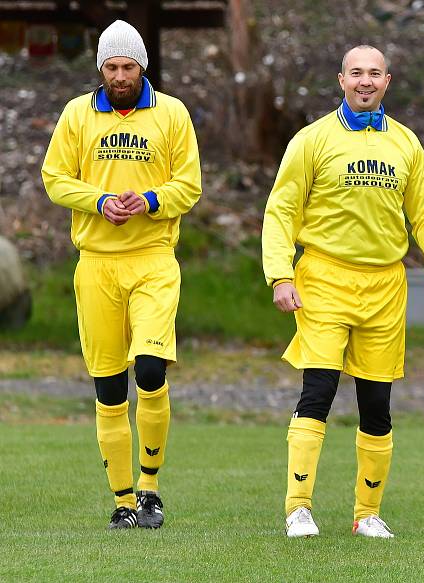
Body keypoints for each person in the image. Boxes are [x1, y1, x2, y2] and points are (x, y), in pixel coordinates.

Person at [262, 45, 424, 539]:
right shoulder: (312, 140)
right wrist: (280, 275)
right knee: (319, 390)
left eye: (374, 73)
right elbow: (281, 211)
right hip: (324, 278)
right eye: (356, 73)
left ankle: (366, 514)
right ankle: (298, 508)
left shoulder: (406, 144)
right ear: (341, 80)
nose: (365, 81)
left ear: (387, 81)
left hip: (386, 285)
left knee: (377, 402)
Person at [41, 20, 201, 529]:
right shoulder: (78, 115)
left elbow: (189, 184)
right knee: (109, 386)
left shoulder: (171, 113)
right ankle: (123, 501)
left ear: (143, 67)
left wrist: (150, 200)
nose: (119, 76)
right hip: (97, 266)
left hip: (153, 260)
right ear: (100, 69)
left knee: (150, 370)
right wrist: (100, 201)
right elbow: (54, 178)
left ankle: (151, 488)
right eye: (110, 67)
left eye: (128, 67)